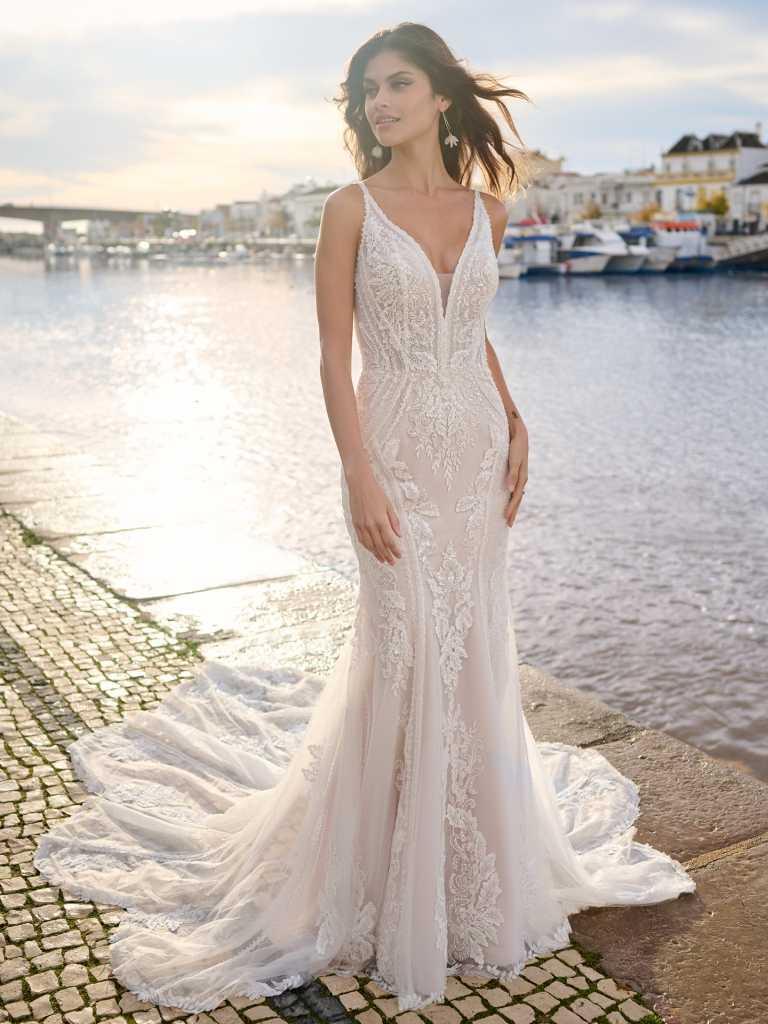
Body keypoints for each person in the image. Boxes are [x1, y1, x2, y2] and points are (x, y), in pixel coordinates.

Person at [32, 21, 696, 1015]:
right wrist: (359, 476)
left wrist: (518, 421)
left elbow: (473, 334)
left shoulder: (489, 211)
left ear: (438, 96)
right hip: (391, 454)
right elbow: (333, 360)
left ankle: (466, 861)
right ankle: (376, 864)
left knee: (470, 644)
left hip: (473, 452)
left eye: (396, 84)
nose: (378, 103)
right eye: (364, 92)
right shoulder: (348, 210)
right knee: (402, 643)